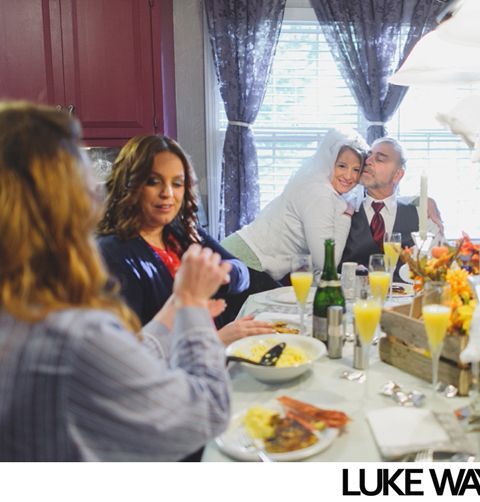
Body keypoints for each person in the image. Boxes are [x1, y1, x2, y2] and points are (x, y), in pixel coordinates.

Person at [0, 102, 233, 461]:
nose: (95, 194)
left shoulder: (21, 310)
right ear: (64, 202)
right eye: (85, 182)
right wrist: (191, 309)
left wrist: (176, 308)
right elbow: (205, 415)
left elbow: (124, 354)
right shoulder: (71, 332)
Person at [97, 135, 267, 344]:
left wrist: (218, 278)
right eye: (153, 181)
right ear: (129, 185)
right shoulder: (112, 254)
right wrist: (217, 341)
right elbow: (131, 353)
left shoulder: (183, 232)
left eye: (177, 183)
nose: (167, 193)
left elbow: (242, 272)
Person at [222, 127, 368, 282]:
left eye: (356, 169)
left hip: (243, 255)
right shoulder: (320, 194)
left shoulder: (318, 185)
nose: (348, 176)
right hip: (244, 260)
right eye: (342, 166)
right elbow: (326, 265)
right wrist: (346, 216)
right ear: (329, 162)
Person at [340, 136, 444, 280]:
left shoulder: (423, 214)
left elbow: (435, 269)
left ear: (397, 175)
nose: (367, 161)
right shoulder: (343, 210)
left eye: (380, 159)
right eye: (368, 156)